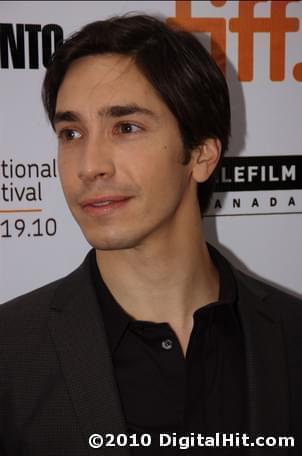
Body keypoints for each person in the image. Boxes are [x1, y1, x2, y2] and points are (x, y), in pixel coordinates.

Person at [0, 14, 301, 456]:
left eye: (126, 127)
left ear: (201, 154)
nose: (89, 165)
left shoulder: (292, 335)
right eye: (71, 133)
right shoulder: (10, 355)